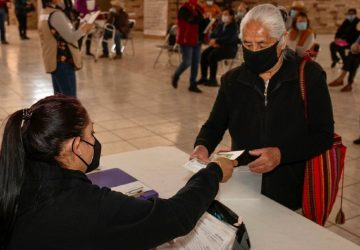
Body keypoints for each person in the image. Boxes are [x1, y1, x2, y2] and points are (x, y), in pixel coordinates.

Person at [0, 94, 236, 249]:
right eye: (91, 133)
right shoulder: (90, 205)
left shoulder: (14, 175)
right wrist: (214, 171)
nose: (95, 140)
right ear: (74, 146)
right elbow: (177, 216)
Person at [191, 4, 334, 211]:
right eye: (247, 45)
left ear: (282, 41)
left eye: (261, 44)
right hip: (244, 186)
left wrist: (281, 154)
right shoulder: (233, 80)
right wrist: (202, 146)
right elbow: (214, 124)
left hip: (291, 191)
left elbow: (323, 135)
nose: (254, 52)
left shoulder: (308, 76)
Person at [38, 0, 93, 97]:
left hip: (53, 59)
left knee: (60, 99)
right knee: (70, 100)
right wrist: (84, 29)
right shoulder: (56, 14)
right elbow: (71, 38)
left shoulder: (44, 12)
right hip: (63, 62)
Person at [172, 0, 207, 93]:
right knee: (187, 61)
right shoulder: (184, 9)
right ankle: (176, 75)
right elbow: (192, 20)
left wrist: (206, 19)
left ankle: (192, 84)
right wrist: (201, 16)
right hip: (186, 39)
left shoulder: (199, 9)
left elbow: (202, 22)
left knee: (196, 62)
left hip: (197, 39)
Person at [197, 8, 238, 87]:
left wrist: (217, 41)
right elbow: (214, 34)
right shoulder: (221, 24)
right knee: (204, 54)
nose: (224, 16)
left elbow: (229, 38)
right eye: (223, 14)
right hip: (217, 46)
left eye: (226, 14)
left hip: (229, 49)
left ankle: (213, 80)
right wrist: (213, 40)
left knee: (212, 55)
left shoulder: (234, 26)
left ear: (231, 16)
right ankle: (204, 77)